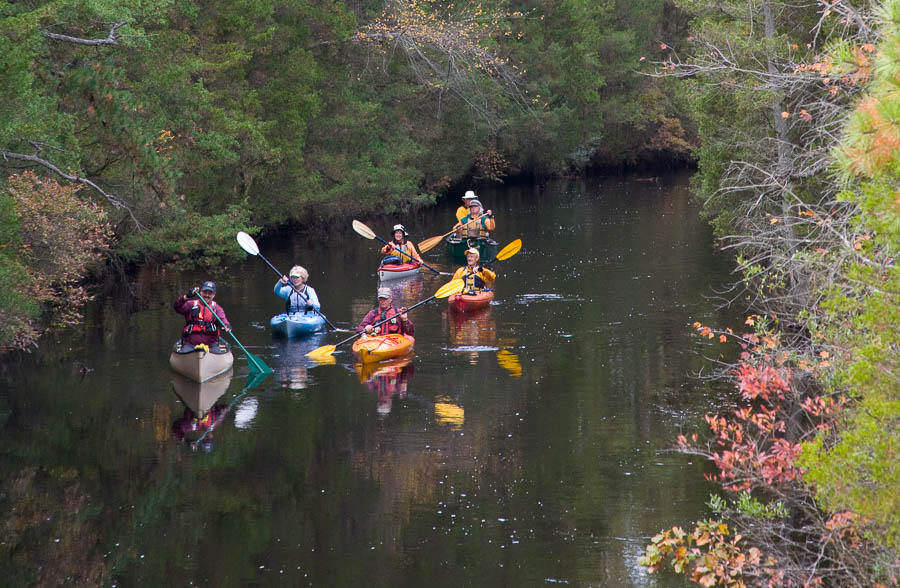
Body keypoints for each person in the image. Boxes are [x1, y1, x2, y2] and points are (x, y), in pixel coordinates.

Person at [173, 280, 231, 346]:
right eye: (205, 292)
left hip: (211, 344)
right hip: (190, 342)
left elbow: (223, 320)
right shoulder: (191, 304)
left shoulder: (217, 308)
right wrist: (186, 297)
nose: (207, 295)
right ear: (200, 292)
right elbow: (177, 307)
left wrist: (226, 326)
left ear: (214, 295)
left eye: (210, 293)